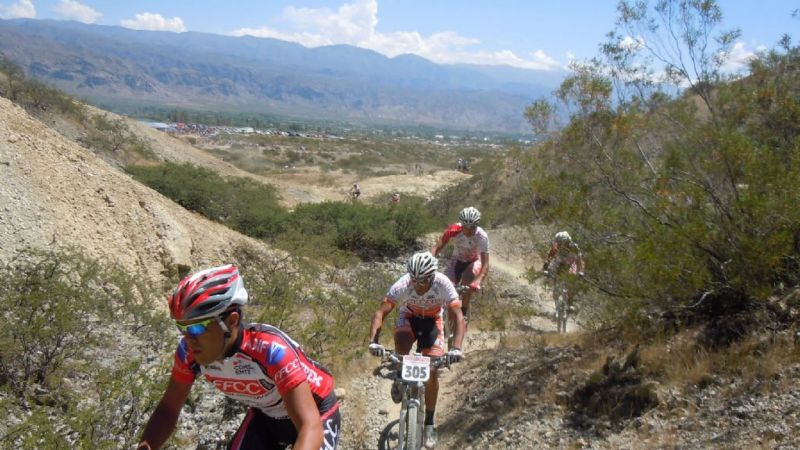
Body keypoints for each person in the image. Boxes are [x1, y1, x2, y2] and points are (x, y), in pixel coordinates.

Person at [137, 265, 341, 450]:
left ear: (231, 321)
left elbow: (310, 426)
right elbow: (168, 409)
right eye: (182, 327)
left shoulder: (271, 350)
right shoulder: (187, 353)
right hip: (266, 415)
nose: (188, 338)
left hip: (316, 411)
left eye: (197, 327)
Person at [368, 251, 465, 449]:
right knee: (401, 356)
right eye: (414, 280)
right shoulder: (403, 283)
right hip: (409, 317)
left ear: (431, 276)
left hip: (432, 321)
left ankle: (429, 423)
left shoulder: (443, 283)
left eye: (422, 281)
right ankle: (398, 375)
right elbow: (380, 312)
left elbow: (458, 316)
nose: (417, 285)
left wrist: (456, 348)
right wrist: (374, 342)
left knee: (431, 372)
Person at [430, 206, 490, 325]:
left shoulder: (482, 236)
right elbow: (437, 247)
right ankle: (448, 318)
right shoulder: (453, 229)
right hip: (457, 260)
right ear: (461, 225)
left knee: (468, 279)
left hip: (474, 261)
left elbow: (485, 264)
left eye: (472, 227)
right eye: (465, 227)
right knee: (447, 285)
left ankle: (464, 313)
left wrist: (477, 281)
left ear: (476, 225)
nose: (468, 231)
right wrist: (428, 264)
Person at [543, 231, 585, 307]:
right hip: (560, 264)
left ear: (568, 240)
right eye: (559, 242)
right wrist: (546, 266)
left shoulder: (574, 247)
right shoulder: (556, 247)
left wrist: (581, 271)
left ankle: (570, 302)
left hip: (571, 264)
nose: (560, 244)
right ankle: (556, 295)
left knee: (571, 280)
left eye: (563, 242)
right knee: (554, 277)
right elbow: (550, 256)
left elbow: (579, 259)